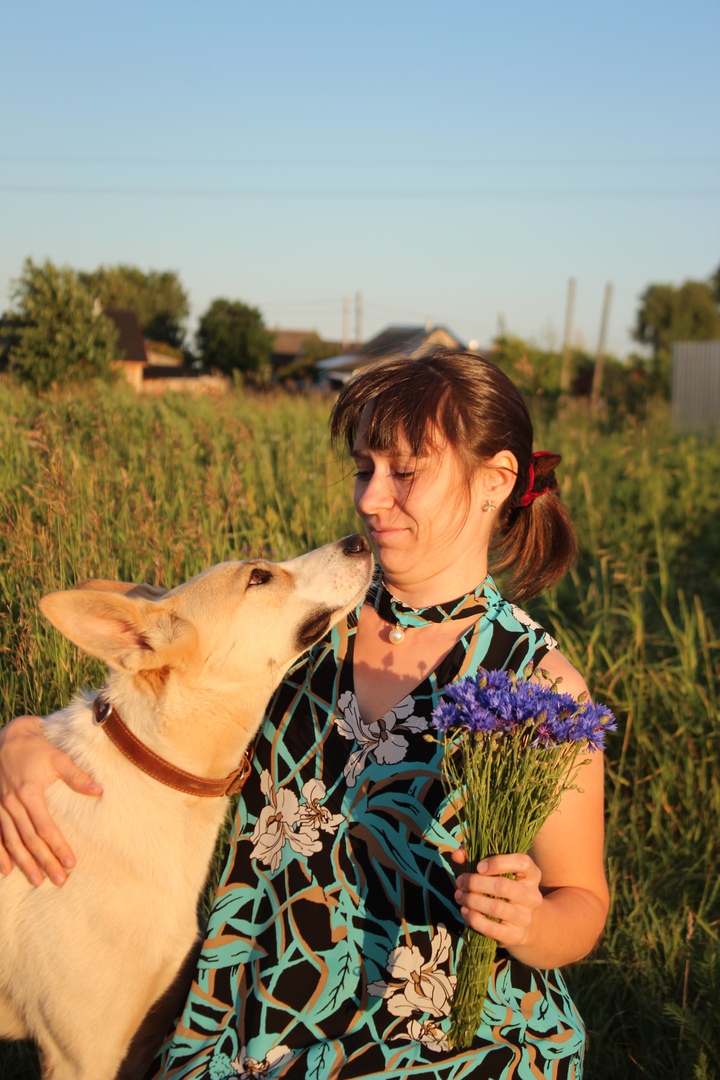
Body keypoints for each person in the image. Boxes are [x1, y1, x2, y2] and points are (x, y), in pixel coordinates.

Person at [0, 351, 609, 1079]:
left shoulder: (537, 687)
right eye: (363, 469)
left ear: (497, 481)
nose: (371, 499)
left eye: (404, 472)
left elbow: (582, 900)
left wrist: (531, 923)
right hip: (262, 1014)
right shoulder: (301, 625)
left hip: (447, 1029)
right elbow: (150, 664)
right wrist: (24, 738)